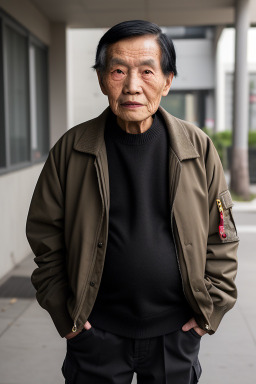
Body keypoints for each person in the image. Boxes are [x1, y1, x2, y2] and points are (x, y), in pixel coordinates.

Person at [26, 20, 239, 384]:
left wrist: (207, 316)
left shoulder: (197, 148)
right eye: (118, 70)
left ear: (168, 80)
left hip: (176, 333)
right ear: (101, 78)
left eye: (146, 71)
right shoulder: (71, 150)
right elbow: (46, 237)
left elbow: (222, 235)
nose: (132, 86)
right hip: (96, 335)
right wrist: (67, 317)